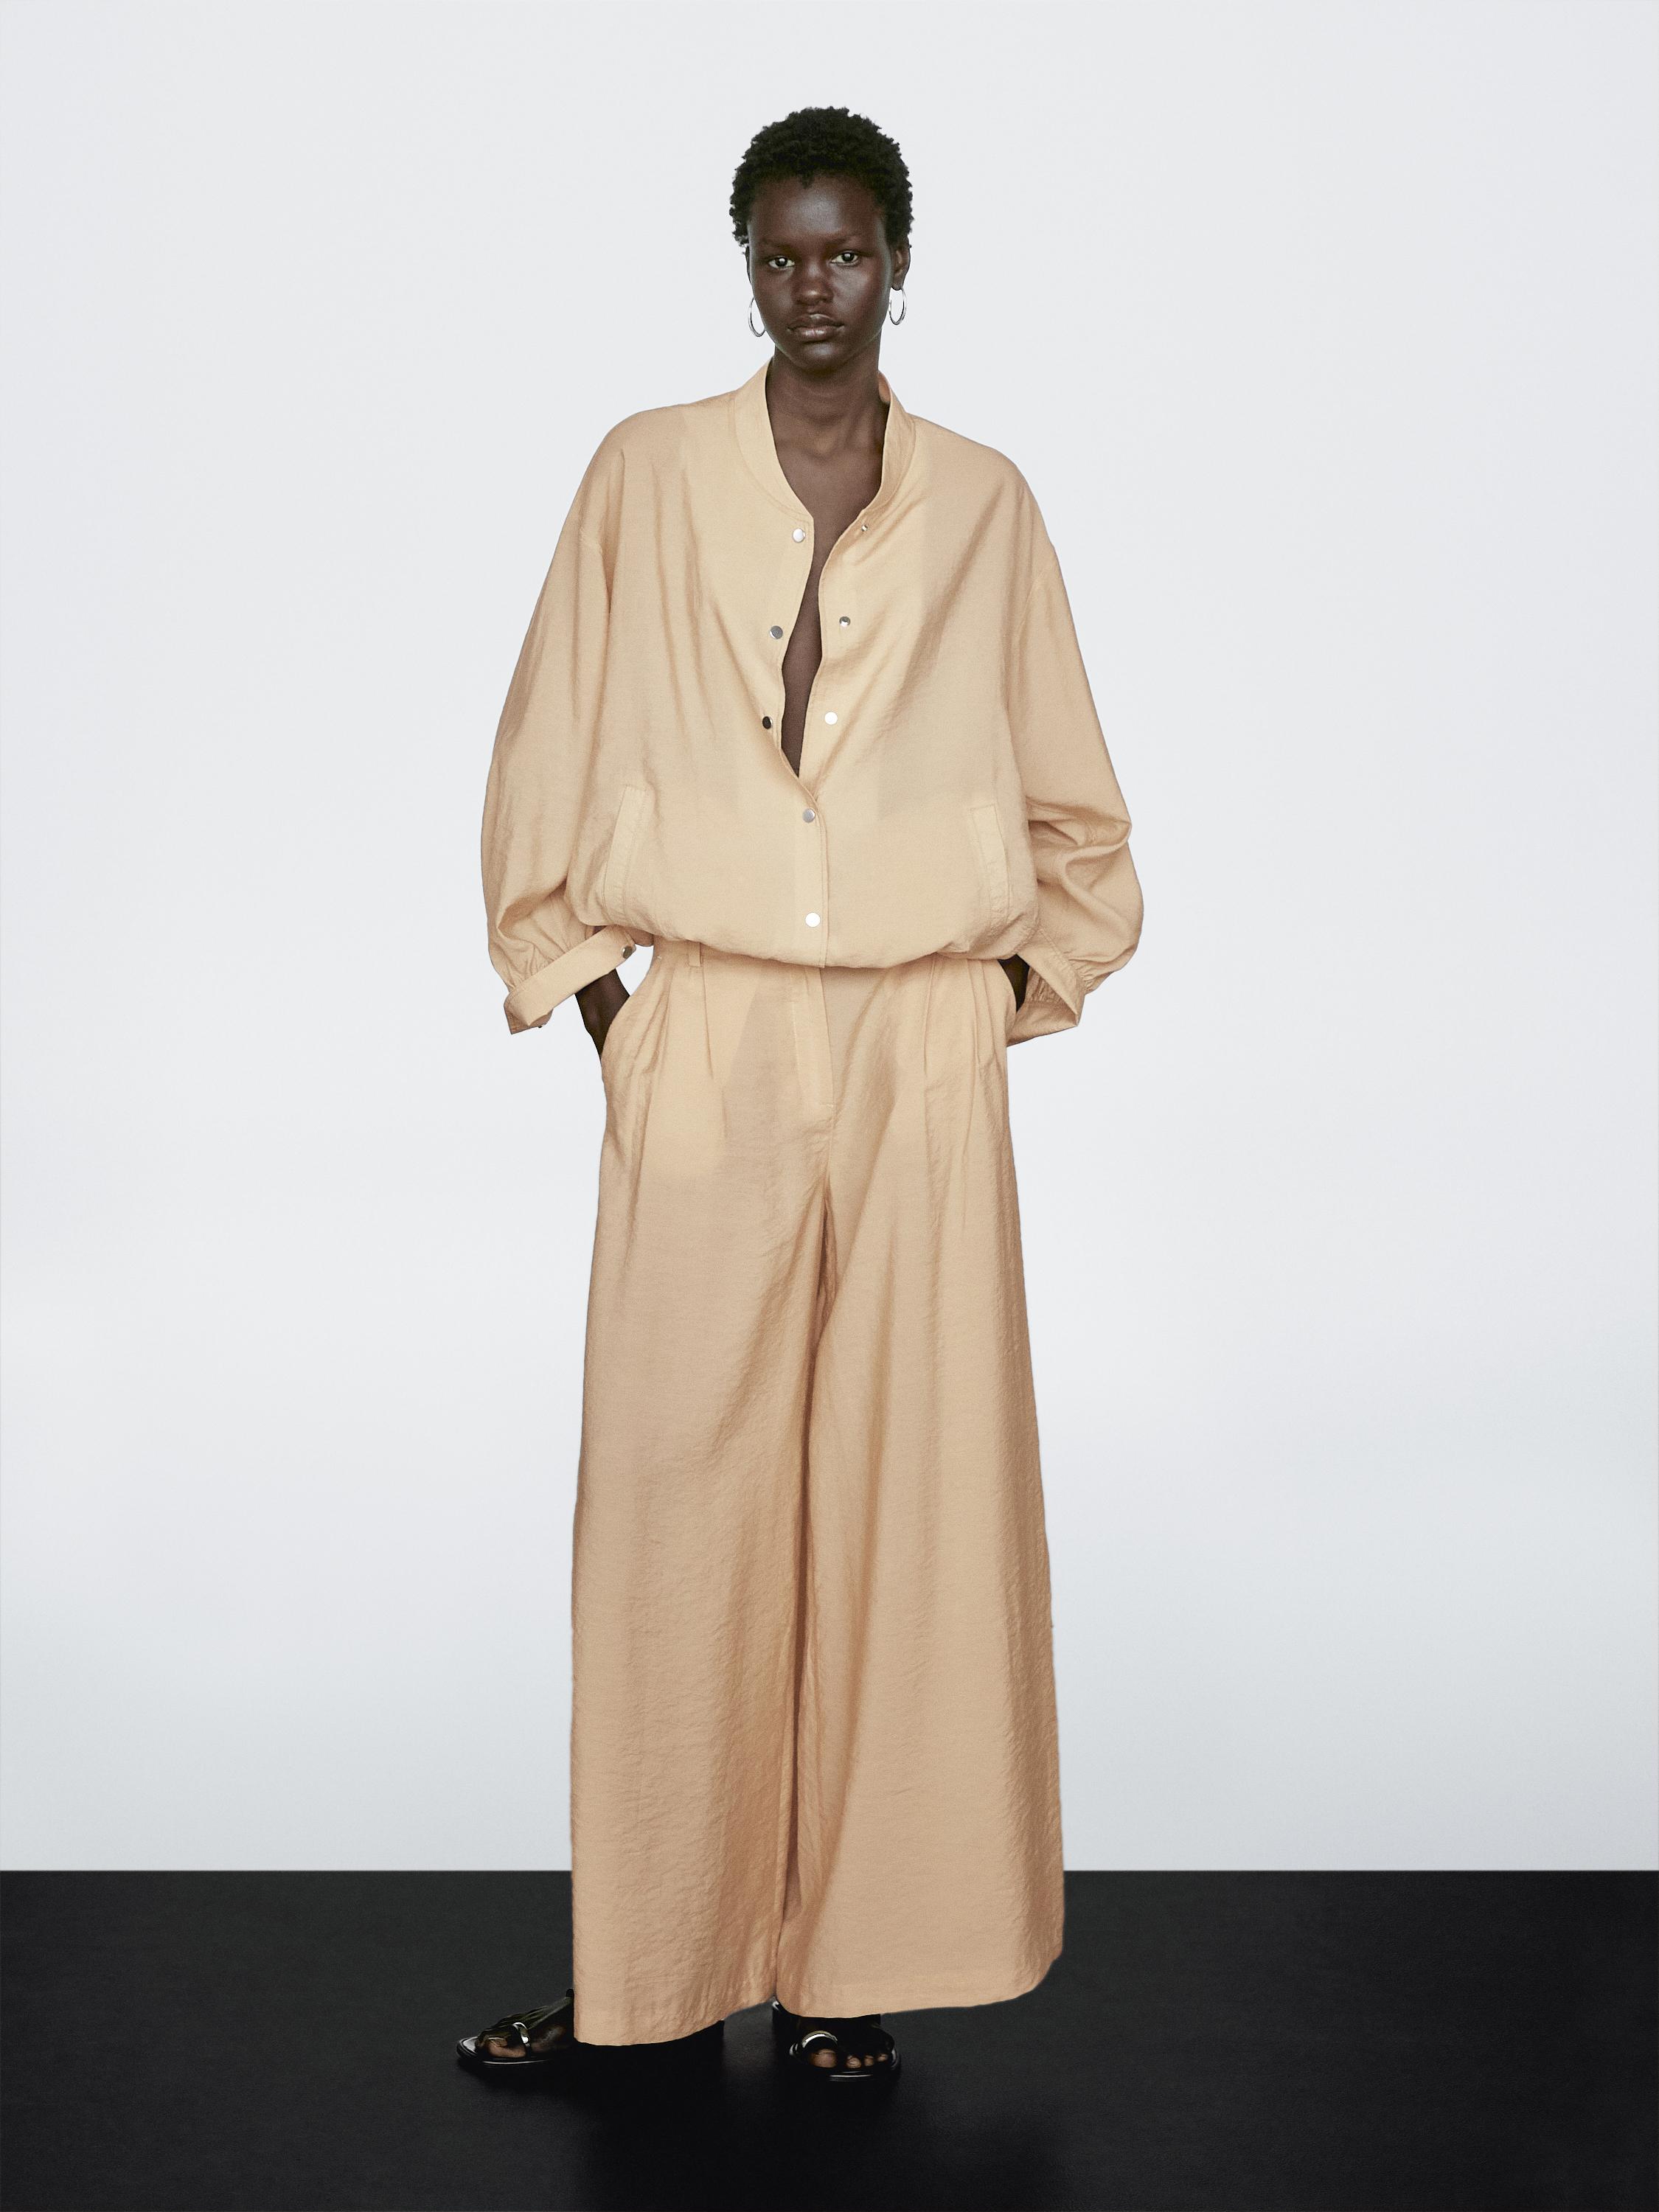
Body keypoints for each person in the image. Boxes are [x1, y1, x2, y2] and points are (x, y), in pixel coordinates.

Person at [457, 104, 1142, 2087]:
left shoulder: (986, 504)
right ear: (745, 266)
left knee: (903, 1506)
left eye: (845, 252)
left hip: (919, 1044)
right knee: (676, 1500)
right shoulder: (646, 474)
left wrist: (996, 997)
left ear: (899, 264)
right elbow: (546, 738)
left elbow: (1071, 799)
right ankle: (647, 1977)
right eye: (779, 253)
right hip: (714, 1028)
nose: (812, 286)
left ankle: (850, 1969)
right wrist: (608, 1005)